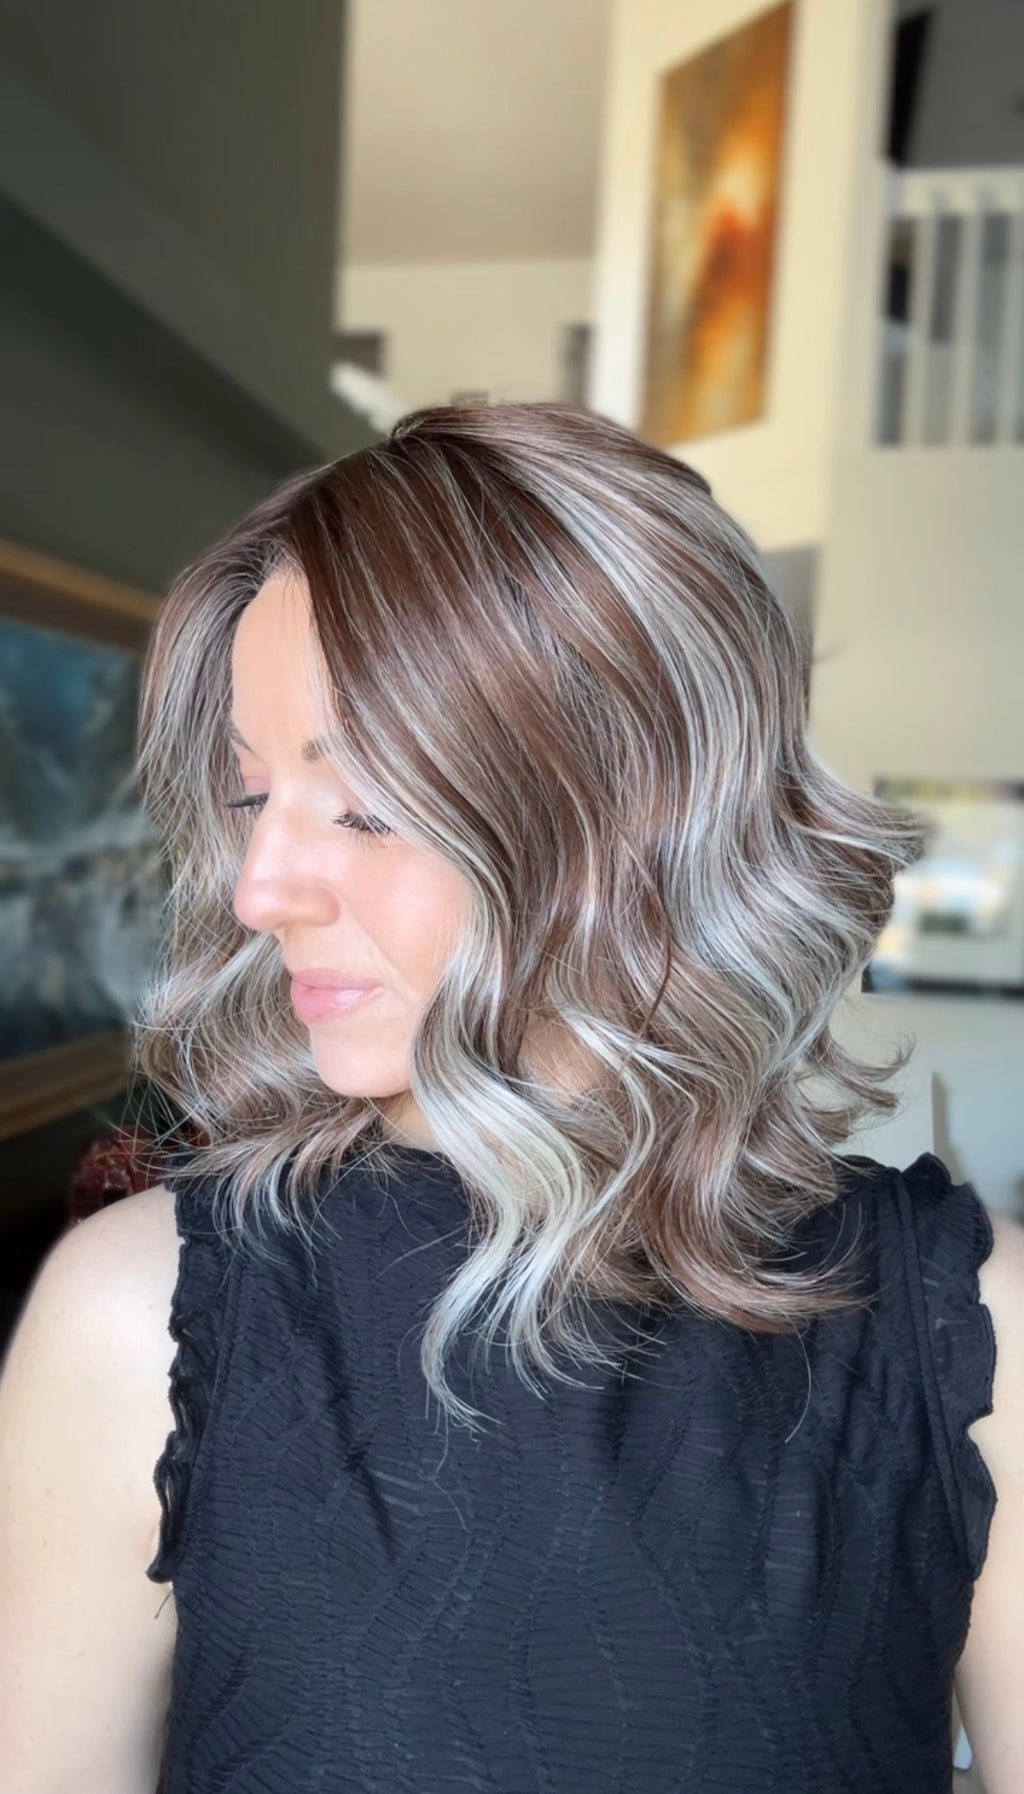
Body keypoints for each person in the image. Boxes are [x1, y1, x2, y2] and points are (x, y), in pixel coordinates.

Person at [0, 401, 1021, 1794]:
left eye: (363, 802)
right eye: (251, 796)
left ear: (632, 814)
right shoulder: (141, 1325)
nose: (260, 889)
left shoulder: (976, 1341)